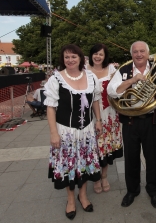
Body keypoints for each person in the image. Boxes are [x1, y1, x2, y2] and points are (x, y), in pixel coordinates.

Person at [43, 44, 102, 220]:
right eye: (67, 57)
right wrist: (54, 133)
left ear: (80, 58)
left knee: (83, 164)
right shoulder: (56, 79)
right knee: (69, 167)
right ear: (63, 59)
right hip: (66, 131)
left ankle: (82, 195)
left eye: (73, 57)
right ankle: (70, 199)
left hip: (87, 131)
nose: (70, 60)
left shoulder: (91, 77)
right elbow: (51, 108)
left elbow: (96, 100)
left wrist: (98, 120)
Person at [107, 41, 156, 208]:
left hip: (152, 120)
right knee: (131, 158)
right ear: (131, 54)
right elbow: (111, 91)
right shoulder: (123, 70)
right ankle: (132, 190)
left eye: (142, 51)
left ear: (148, 53)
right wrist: (132, 80)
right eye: (135, 52)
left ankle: (154, 191)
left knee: (153, 158)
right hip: (131, 120)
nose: (139, 54)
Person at [87, 43, 123, 194]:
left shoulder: (112, 70)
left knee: (106, 148)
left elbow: (118, 90)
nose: (97, 56)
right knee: (94, 148)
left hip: (109, 114)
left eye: (101, 54)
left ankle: (104, 176)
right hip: (91, 115)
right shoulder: (85, 71)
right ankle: (95, 178)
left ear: (105, 56)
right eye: (95, 53)